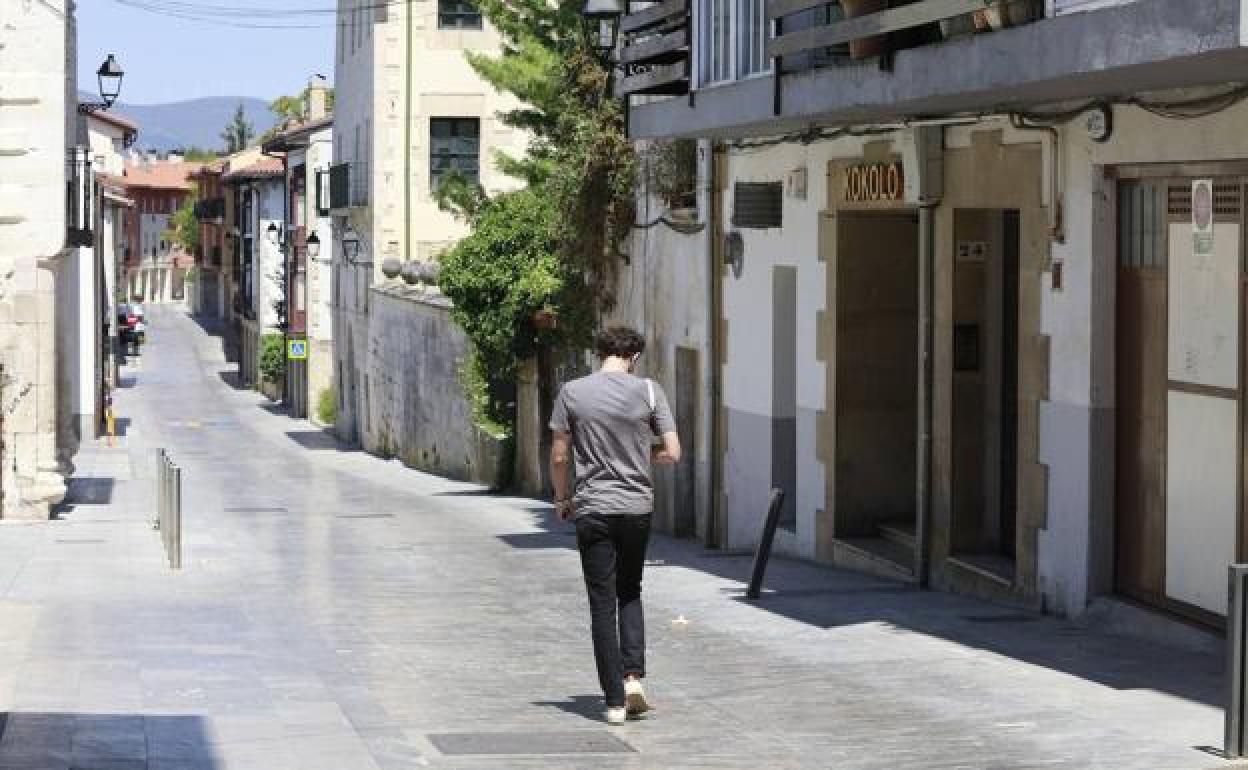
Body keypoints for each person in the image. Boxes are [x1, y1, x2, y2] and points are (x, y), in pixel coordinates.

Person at [549, 326, 681, 725]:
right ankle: (633, 676)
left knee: (601, 603)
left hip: (592, 507)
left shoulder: (572, 392)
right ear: (635, 356)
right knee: (630, 590)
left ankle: (613, 703)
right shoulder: (650, 392)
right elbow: (673, 452)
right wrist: (644, 454)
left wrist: (561, 498)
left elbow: (559, 455)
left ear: (599, 353)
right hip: (636, 508)